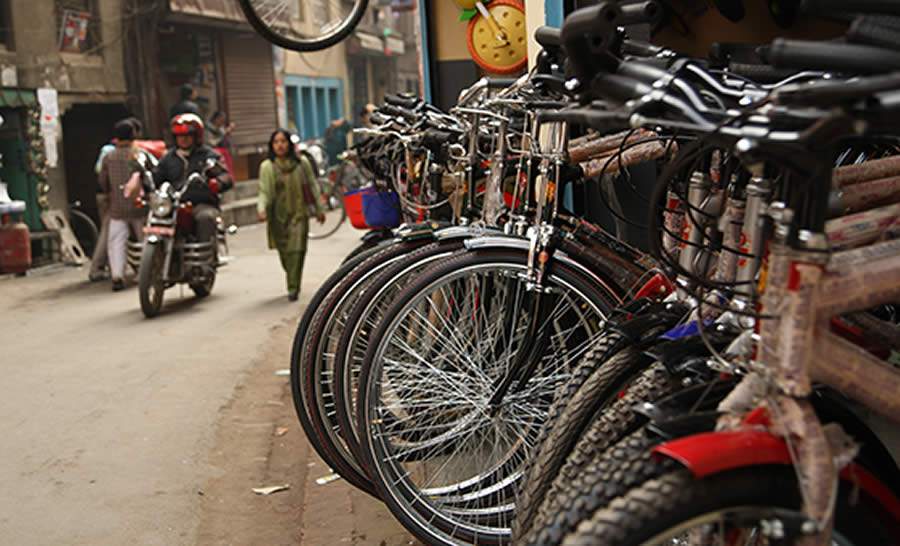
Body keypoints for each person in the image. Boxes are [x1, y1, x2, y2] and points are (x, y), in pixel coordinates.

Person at [257, 129, 325, 301]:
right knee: (285, 253)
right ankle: (292, 277)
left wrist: (319, 208)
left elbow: (312, 185)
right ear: (272, 146)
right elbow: (264, 190)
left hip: (299, 214)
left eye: (283, 141)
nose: (280, 145)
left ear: (289, 144)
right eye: (276, 142)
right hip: (278, 218)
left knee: (297, 250)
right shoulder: (267, 167)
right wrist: (261, 208)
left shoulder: (302, 164)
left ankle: (293, 287)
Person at [153, 114, 232, 249]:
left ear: (196, 136)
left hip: (201, 202)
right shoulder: (168, 158)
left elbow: (225, 175)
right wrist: (145, 184)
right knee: (157, 218)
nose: (183, 139)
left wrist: (217, 183)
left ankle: (205, 260)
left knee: (205, 218)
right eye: (179, 136)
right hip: (174, 204)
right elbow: (156, 177)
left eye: (187, 135)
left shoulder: (208, 155)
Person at [89, 117, 145, 282]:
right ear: (133, 135)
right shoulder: (138, 155)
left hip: (117, 207)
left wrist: (110, 193)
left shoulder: (109, 156)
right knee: (144, 240)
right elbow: (148, 177)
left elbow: (103, 181)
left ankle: (117, 275)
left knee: (115, 242)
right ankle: (143, 273)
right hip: (138, 205)